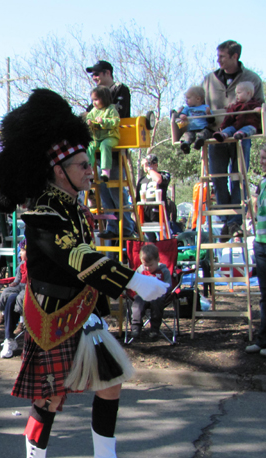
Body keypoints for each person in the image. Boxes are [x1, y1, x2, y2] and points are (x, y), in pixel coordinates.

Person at [0, 89, 169, 458]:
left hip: (84, 311)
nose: (91, 171)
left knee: (110, 382)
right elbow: (77, 256)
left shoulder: (70, 206)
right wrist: (136, 281)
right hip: (52, 315)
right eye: (82, 165)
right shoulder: (43, 212)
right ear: (58, 170)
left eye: (89, 164)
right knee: (50, 395)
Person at [203, 40, 264, 235]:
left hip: (240, 135)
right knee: (217, 177)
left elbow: (261, 108)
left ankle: (236, 221)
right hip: (217, 136)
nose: (218, 60)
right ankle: (225, 218)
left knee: (238, 177)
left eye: (222, 56)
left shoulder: (251, 78)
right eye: (218, 56)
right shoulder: (210, 79)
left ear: (235, 57)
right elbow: (200, 104)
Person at [85, 61, 134, 239]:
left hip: (114, 146)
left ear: (107, 73)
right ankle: (113, 226)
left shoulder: (120, 90)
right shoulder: (96, 97)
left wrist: (97, 119)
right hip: (98, 149)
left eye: (97, 74)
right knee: (103, 190)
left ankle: (127, 226)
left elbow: (120, 114)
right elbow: (88, 112)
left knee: (116, 189)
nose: (94, 78)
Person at [245, 142, 266, 358]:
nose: (260, 161)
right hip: (261, 242)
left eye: (265, 158)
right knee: (265, 294)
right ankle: (262, 339)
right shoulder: (264, 182)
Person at [130, 243, 172, 341]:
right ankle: (136, 327)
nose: (148, 268)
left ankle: (154, 329)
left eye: (151, 265)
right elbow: (134, 284)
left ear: (158, 260)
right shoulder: (140, 271)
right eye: (145, 265)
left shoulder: (163, 271)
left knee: (157, 302)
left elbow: (168, 286)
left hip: (158, 295)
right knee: (137, 303)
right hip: (143, 295)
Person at [0, 242, 27, 359]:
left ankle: (12, 334)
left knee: (20, 298)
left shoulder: (36, 265)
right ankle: (9, 339)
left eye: (22, 251)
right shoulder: (22, 265)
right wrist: (15, 282)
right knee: (9, 297)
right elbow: (18, 279)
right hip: (21, 286)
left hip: (31, 288)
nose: (20, 253)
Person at [85, 86, 120, 182]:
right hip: (97, 138)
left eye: (96, 99)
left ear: (104, 98)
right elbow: (88, 120)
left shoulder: (111, 109)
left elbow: (115, 122)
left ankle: (105, 171)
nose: (94, 102)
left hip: (110, 137)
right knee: (90, 146)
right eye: (92, 100)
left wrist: (103, 121)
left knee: (105, 145)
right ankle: (89, 171)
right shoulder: (93, 111)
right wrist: (89, 123)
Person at [175, 86, 212, 153]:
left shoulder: (205, 108)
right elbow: (181, 115)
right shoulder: (187, 108)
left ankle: (199, 142)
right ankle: (186, 145)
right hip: (191, 130)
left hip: (203, 128)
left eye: (188, 98)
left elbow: (211, 121)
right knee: (187, 135)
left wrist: (208, 113)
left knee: (205, 133)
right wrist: (181, 115)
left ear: (198, 99)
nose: (186, 100)